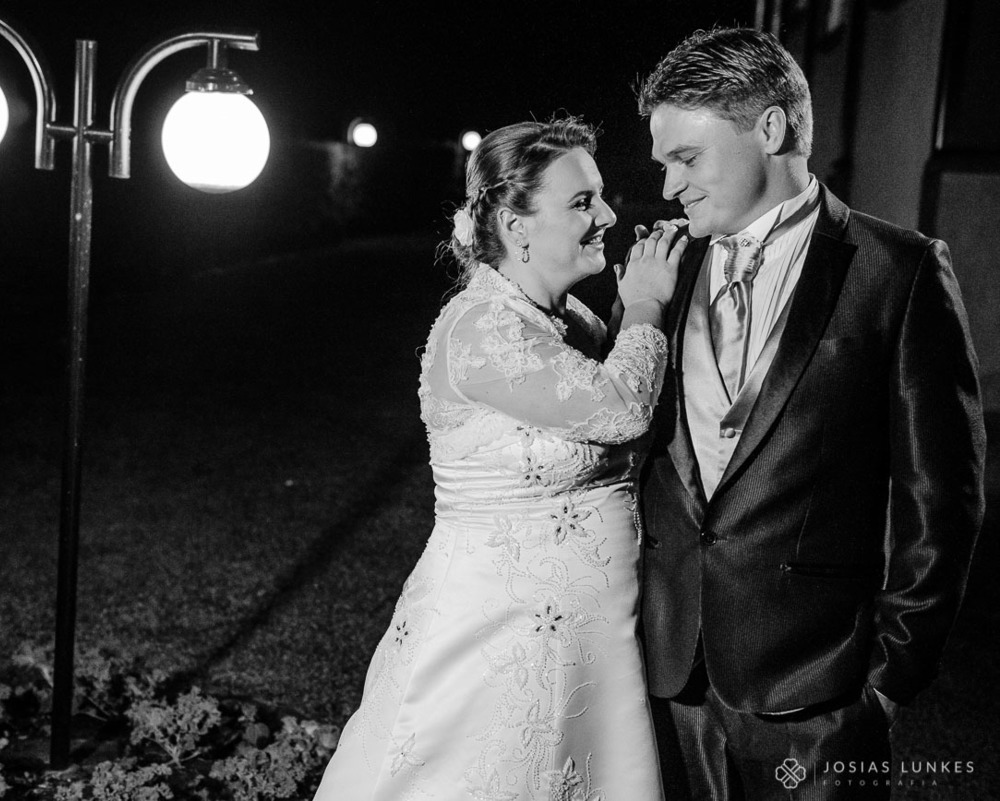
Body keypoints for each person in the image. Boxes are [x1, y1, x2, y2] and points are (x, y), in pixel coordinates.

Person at [634, 27, 986, 800]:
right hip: (670, 683)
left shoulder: (897, 271)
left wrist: (889, 681)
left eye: (685, 158)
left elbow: (942, 500)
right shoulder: (664, 270)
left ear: (770, 128)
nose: (667, 187)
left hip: (818, 698)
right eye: (662, 163)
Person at [313, 117, 686, 800]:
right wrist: (648, 304)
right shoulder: (483, 328)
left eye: (599, 196)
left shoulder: (572, 320)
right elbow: (622, 408)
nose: (607, 214)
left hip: (582, 645)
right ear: (516, 225)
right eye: (581, 202)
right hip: (498, 640)